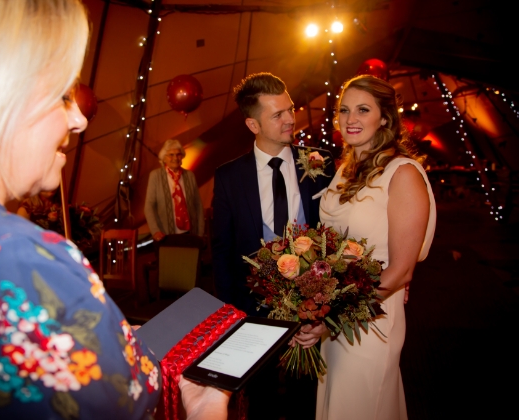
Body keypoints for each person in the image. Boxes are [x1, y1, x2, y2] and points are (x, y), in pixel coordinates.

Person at [0, 1, 228, 419]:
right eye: (63, 95)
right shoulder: (23, 264)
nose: (79, 120)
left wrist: (97, 336)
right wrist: (205, 409)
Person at [211, 72, 335, 419]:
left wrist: (324, 310)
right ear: (253, 124)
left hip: (312, 311)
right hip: (253, 311)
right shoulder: (229, 176)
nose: (290, 119)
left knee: (305, 401)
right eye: (278, 114)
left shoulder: (322, 163)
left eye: (290, 109)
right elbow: (221, 251)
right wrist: (235, 316)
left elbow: (337, 234)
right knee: (261, 402)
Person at [316, 74, 437, 420]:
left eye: (363, 110)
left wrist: (333, 317)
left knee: (361, 404)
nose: (350, 119)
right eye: (344, 110)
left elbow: (401, 270)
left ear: (384, 118)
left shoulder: (403, 174)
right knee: (335, 401)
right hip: (335, 314)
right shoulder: (344, 171)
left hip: (372, 319)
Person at [144, 139, 205, 242]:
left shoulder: (190, 176)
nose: (175, 158)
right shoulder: (155, 176)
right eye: (171, 155)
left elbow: (198, 205)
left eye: (178, 154)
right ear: (164, 158)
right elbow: (148, 206)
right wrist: (155, 231)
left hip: (191, 234)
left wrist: (200, 232)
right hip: (165, 236)